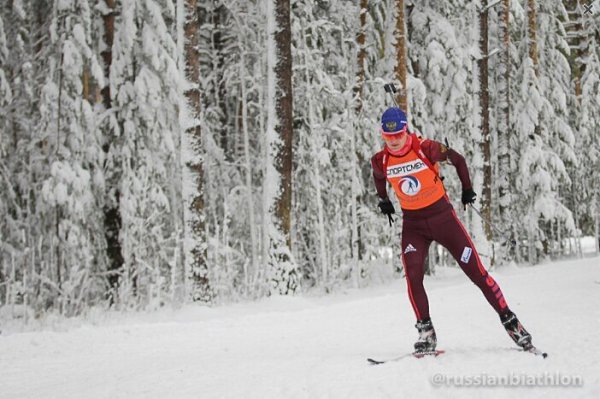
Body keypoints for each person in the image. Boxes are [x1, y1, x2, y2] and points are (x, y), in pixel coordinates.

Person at [371, 107, 535, 353]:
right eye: (388, 136)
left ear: (405, 130)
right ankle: (426, 333)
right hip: (413, 225)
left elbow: (458, 159)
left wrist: (467, 189)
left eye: (398, 135)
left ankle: (511, 322)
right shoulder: (381, 159)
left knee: (477, 274)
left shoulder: (426, 148)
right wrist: (384, 200)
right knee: (413, 275)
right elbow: (378, 176)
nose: (393, 141)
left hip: (443, 220)